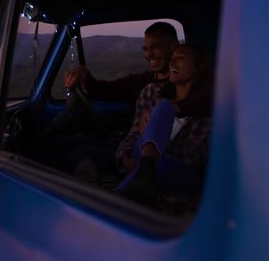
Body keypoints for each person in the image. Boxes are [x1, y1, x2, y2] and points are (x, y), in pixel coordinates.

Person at [67, 43, 213, 209]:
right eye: (171, 58)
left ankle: (141, 173)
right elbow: (134, 134)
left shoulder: (207, 110)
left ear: (199, 66)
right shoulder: (154, 95)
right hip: (147, 161)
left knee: (165, 108)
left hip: (178, 170)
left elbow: (192, 159)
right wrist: (127, 156)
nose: (172, 63)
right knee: (163, 107)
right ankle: (127, 192)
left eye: (180, 58)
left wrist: (151, 149)